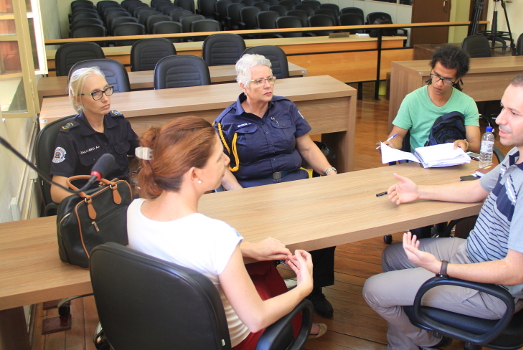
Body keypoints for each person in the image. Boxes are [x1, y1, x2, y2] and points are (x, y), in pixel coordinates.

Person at [363, 72, 523, 350]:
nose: (499, 120)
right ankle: (414, 341)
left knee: (373, 290)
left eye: (513, 113)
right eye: (501, 108)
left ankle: (423, 340)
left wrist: (442, 269)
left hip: (494, 292)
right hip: (474, 252)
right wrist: (420, 192)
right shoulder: (521, 153)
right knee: (392, 256)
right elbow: (476, 190)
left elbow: (515, 272)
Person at [128, 116, 327, 350]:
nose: (227, 160)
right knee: (266, 274)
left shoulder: (135, 211)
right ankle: (296, 323)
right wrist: (305, 285)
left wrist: (248, 248)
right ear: (194, 174)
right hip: (230, 340)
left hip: (172, 328)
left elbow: (185, 244)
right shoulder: (217, 236)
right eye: (218, 156)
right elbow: (256, 319)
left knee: (259, 262)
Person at [214, 54, 337, 318]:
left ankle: (315, 290)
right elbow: (220, 166)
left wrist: (329, 171)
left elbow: (306, 145)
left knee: (325, 229)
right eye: (259, 81)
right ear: (243, 86)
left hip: (294, 185)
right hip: (253, 192)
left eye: (270, 79)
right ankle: (259, 290)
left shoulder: (286, 107)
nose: (268, 85)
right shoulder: (227, 121)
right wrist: (239, 195)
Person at [50, 67, 139, 203]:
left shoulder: (119, 123)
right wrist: (88, 201)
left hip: (124, 196)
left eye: (106, 90)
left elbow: (141, 150)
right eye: (95, 93)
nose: (105, 98)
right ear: (78, 99)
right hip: (94, 203)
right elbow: (56, 192)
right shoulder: (70, 136)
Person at [381, 45, 481, 153]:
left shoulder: (467, 103)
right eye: (436, 75)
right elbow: (398, 135)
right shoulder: (412, 99)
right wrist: (390, 144)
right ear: (431, 69)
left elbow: (475, 145)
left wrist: (466, 144)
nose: (439, 83)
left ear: (457, 80)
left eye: (447, 79)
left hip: (454, 163)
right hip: (420, 164)